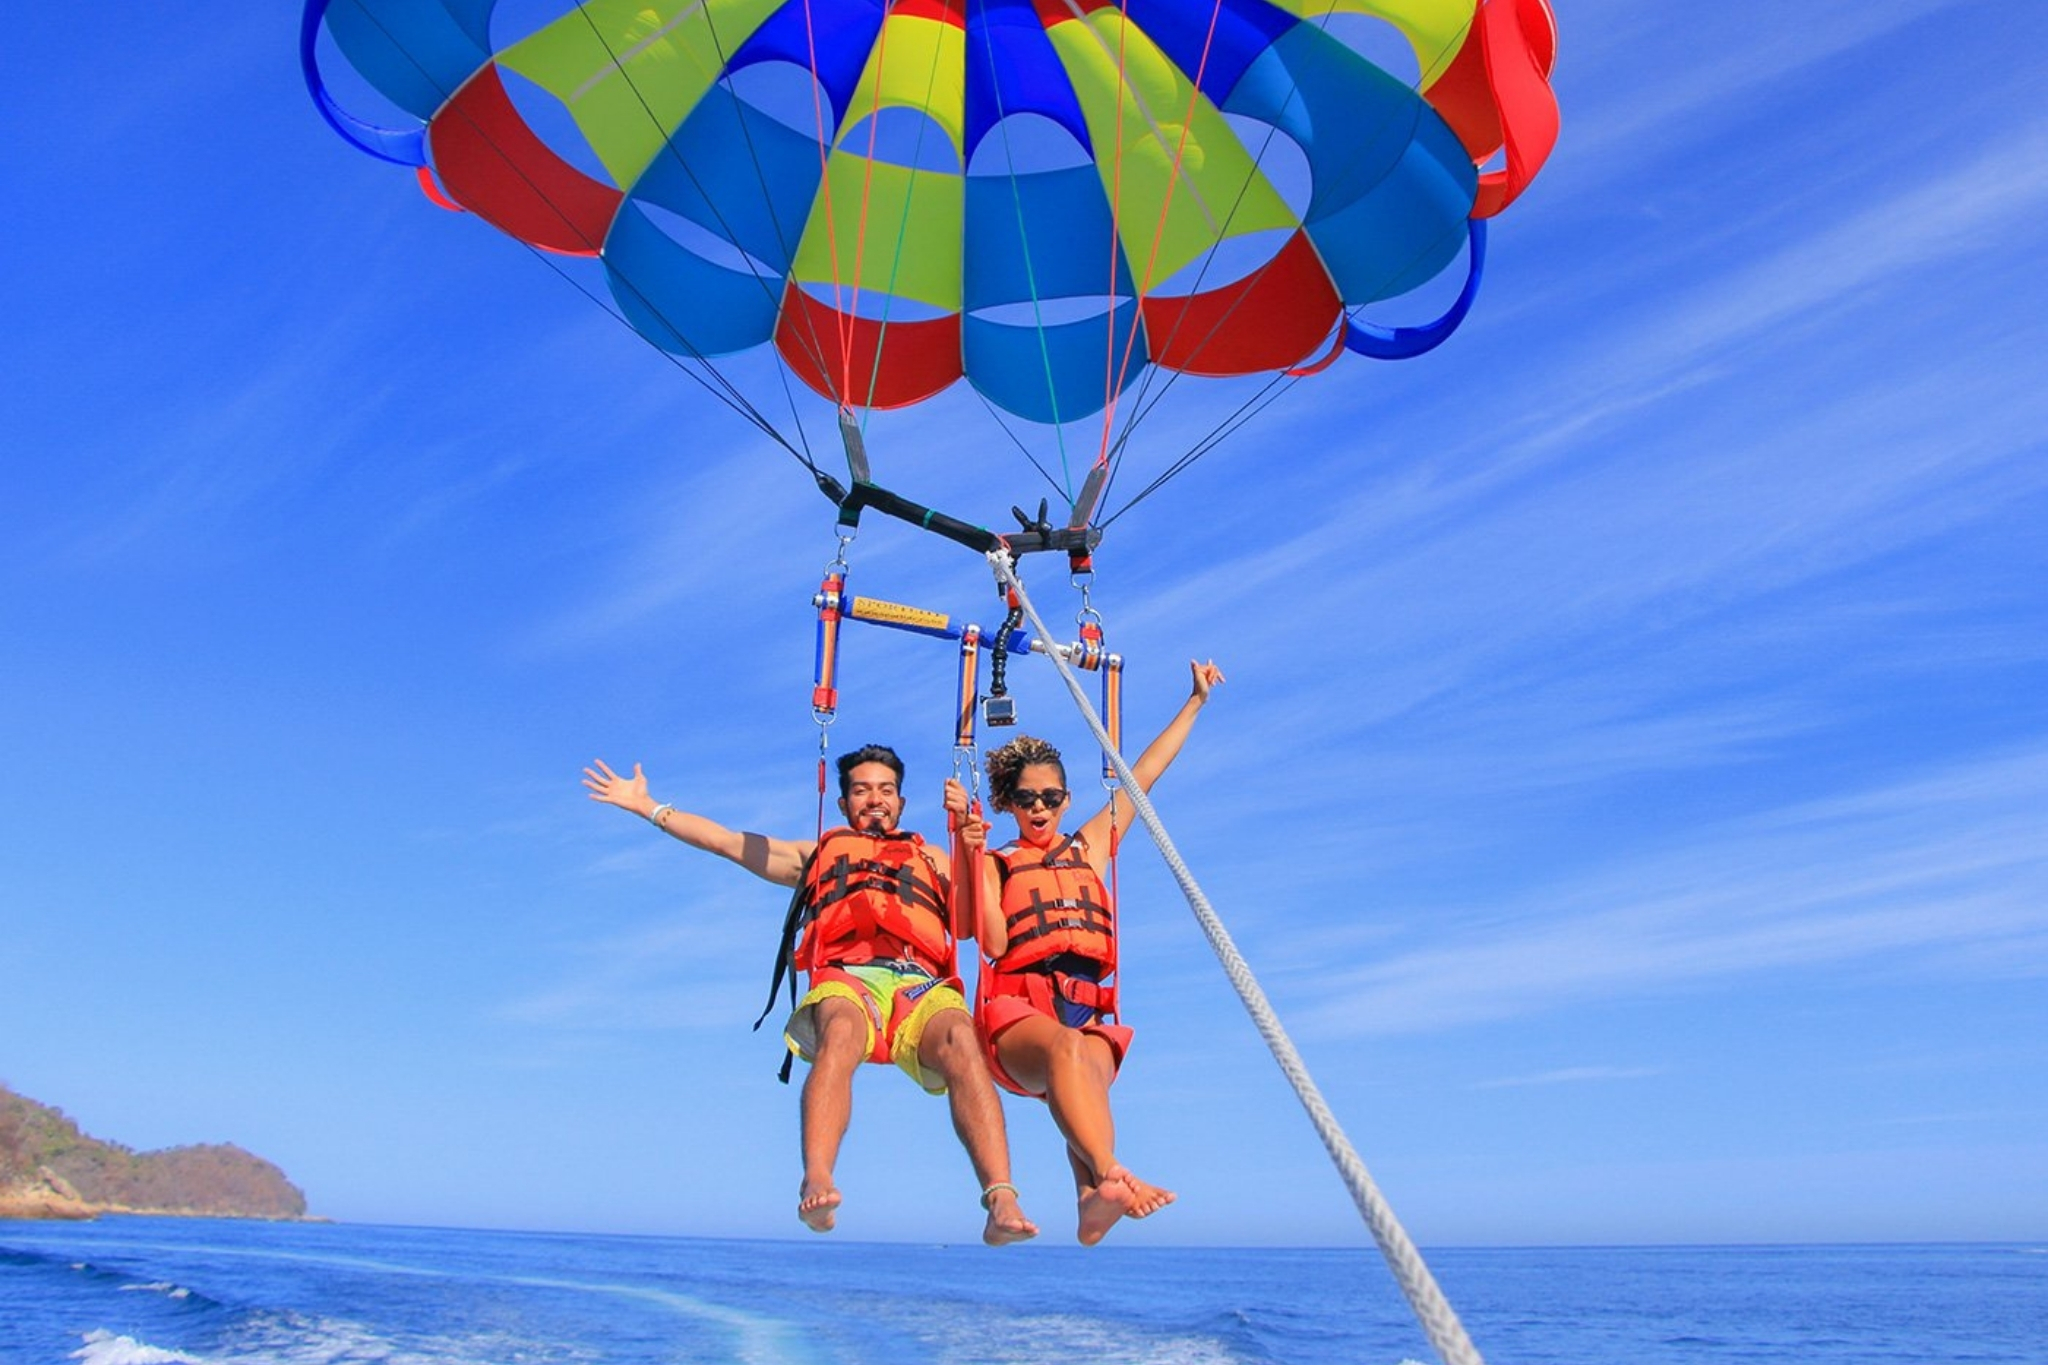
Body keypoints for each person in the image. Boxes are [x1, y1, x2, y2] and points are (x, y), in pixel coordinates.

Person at [582, 745, 1038, 1245]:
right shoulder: (816, 855)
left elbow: (972, 929)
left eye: (886, 791)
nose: (875, 800)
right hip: (848, 977)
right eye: (862, 791)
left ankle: (1000, 1198)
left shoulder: (932, 857)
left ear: (901, 803)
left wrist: (968, 845)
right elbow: (727, 842)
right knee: (840, 1031)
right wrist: (650, 807)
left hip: (919, 983)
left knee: (960, 1040)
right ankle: (817, 1178)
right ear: (843, 804)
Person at [947, 659, 1224, 1244]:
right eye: (1026, 799)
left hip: (1087, 1011)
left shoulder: (1090, 847)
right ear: (1008, 804)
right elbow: (992, 941)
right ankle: (1111, 1173)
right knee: (1067, 1050)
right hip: (1016, 1022)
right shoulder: (998, 862)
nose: (1040, 808)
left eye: (1050, 796)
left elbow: (1143, 774)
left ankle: (1090, 1201)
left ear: (1068, 799)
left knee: (1080, 1061)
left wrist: (1195, 701)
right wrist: (968, 851)